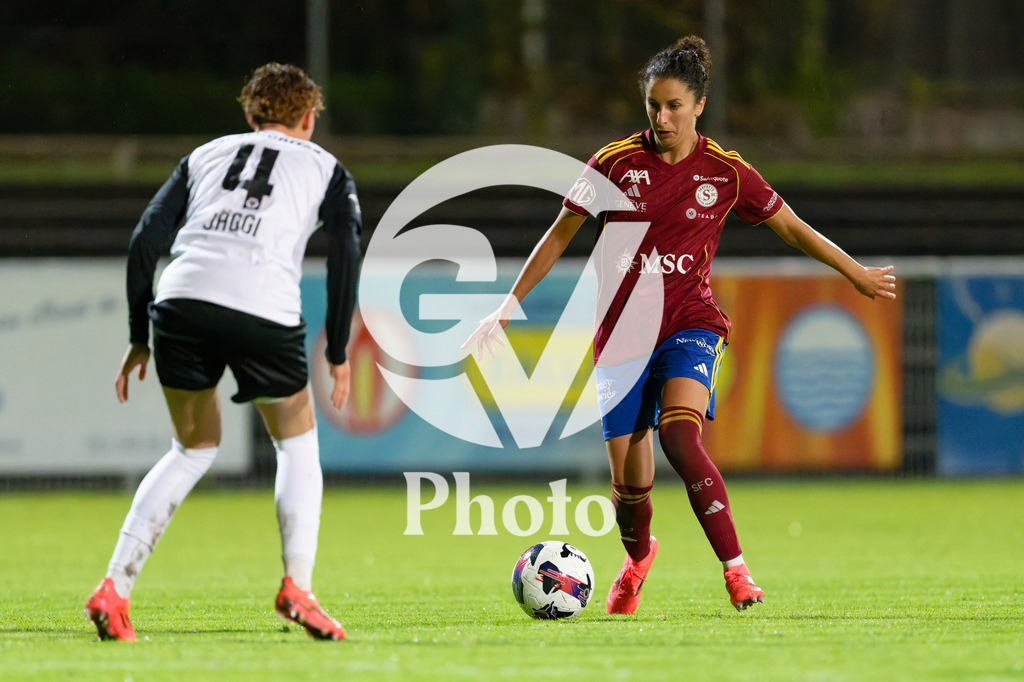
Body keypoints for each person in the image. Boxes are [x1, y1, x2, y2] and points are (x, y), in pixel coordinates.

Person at [464, 36, 896, 614]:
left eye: (673, 106)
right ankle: (638, 559)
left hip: (692, 324)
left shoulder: (727, 172)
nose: (662, 118)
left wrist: (853, 272)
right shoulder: (613, 163)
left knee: (680, 437)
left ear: (699, 106)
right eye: (653, 107)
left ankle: (737, 572)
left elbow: (791, 228)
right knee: (629, 493)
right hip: (620, 338)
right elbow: (560, 232)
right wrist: (508, 302)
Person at [85, 63, 362, 641]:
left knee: (190, 450)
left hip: (182, 301)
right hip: (264, 304)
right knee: (296, 445)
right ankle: (298, 587)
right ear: (309, 118)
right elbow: (346, 253)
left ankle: (114, 588)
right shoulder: (327, 168)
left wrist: (140, 334)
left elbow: (145, 241)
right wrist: (337, 349)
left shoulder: (206, 154)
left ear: (251, 115)